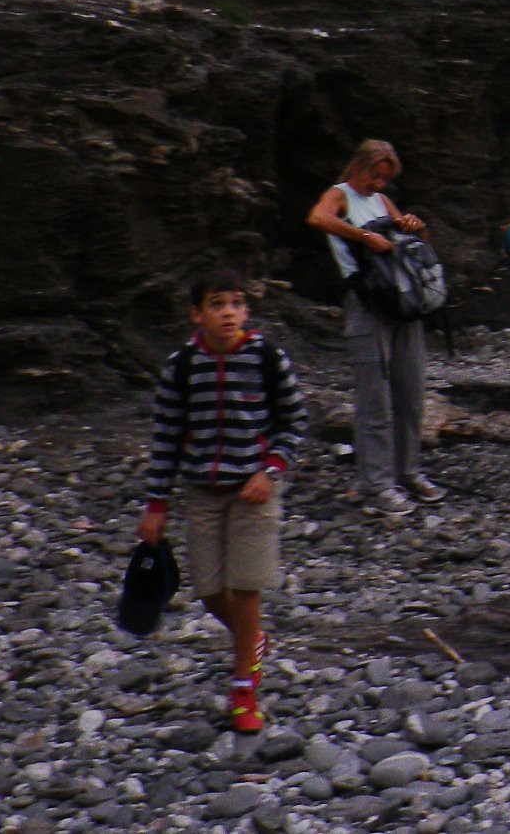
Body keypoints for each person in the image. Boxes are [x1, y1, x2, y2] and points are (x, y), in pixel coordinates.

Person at [136, 268, 306, 733]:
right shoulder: (183, 366)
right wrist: (156, 504)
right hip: (202, 489)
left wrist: (271, 470)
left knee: (246, 587)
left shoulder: (266, 358)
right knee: (210, 590)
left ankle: (243, 690)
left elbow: (294, 420)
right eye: (217, 304)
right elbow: (167, 435)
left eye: (236, 303)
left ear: (246, 312)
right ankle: (251, 642)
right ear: (197, 314)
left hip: (254, 489)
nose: (228, 312)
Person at [305, 140, 440, 515]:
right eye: (373, 174)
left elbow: (412, 243)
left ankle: (407, 472)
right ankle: (376, 485)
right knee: (374, 400)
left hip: (401, 302)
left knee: (410, 392)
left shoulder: (382, 201)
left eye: (384, 178)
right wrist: (364, 236)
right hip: (366, 303)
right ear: (356, 166)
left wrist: (415, 226)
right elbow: (318, 218)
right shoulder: (340, 195)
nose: (377, 183)